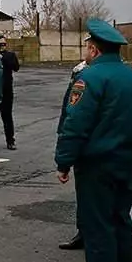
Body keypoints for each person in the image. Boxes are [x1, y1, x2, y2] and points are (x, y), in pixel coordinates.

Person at [55, 19, 132, 262]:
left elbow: (76, 124)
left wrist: (64, 160)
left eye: (87, 45)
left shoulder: (90, 79)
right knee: (122, 223)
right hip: (127, 162)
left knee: (97, 228)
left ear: (94, 49)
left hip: (97, 165)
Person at [57, 60, 89, 251]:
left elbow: (75, 118)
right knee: (85, 195)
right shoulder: (81, 69)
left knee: (91, 195)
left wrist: (64, 161)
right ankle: (83, 232)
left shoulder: (88, 77)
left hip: (91, 148)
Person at [0, 36, 20, 150]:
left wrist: (5, 58)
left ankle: (10, 140)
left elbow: (16, 67)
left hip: (6, 90)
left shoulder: (10, 55)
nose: (1, 47)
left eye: (3, 45)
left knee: (7, 116)